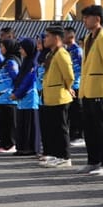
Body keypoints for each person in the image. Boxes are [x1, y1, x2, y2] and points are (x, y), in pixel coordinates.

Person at [78, 4, 103, 176]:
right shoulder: (88, 37)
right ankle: (93, 161)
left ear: (98, 19)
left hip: (100, 90)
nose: (84, 20)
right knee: (90, 128)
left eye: (87, 17)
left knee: (102, 128)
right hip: (87, 89)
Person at [38, 26, 74, 168]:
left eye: (47, 36)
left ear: (56, 38)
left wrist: (66, 88)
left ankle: (65, 157)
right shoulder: (50, 54)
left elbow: (69, 76)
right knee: (52, 128)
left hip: (60, 96)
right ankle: (55, 154)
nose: (45, 39)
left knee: (61, 128)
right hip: (50, 97)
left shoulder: (61, 54)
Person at [11, 38, 41, 157]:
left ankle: (30, 147)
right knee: (22, 122)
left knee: (29, 122)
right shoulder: (26, 62)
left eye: (22, 48)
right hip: (22, 97)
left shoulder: (33, 62)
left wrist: (18, 93)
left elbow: (29, 80)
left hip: (29, 96)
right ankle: (22, 147)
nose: (20, 50)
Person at [0, 39, 21, 154]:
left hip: (9, 98)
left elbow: (16, 78)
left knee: (10, 123)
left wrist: (15, 93)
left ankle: (11, 144)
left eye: (2, 47)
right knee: (3, 123)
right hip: (1, 98)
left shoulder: (11, 62)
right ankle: (4, 143)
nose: (1, 49)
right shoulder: (5, 61)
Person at [63, 26, 84, 146]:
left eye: (64, 34)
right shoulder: (67, 50)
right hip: (69, 86)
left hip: (76, 85)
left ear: (71, 36)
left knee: (77, 111)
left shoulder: (77, 51)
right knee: (71, 112)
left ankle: (79, 136)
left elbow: (83, 67)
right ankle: (72, 134)